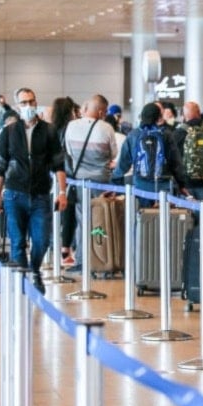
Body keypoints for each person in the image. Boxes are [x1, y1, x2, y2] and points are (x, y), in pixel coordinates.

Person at [0, 87, 68, 296]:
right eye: (24, 102)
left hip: (41, 195)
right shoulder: (8, 132)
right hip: (14, 194)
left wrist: (62, 192)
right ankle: (23, 279)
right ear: (17, 106)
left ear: (36, 102)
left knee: (42, 239)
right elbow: (1, 166)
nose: (28, 106)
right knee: (17, 242)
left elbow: (58, 165)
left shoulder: (49, 130)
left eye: (31, 101)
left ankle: (34, 269)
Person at [64, 94, 118, 273]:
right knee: (100, 221)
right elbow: (112, 154)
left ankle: (81, 261)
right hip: (102, 182)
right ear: (102, 111)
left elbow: (69, 152)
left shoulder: (71, 126)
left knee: (82, 221)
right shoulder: (106, 128)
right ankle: (101, 260)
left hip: (79, 181)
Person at [112, 102, 190, 206]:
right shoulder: (166, 135)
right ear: (158, 117)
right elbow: (176, 163)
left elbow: (123, 164)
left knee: (144, 217)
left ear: (142, 115)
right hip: (164, 186)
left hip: (141, 187)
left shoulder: (133, 135)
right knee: (165, 218)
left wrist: (115, 183)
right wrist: (181, 184)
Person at [50, 96, 80, 265]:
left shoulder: (53, 129)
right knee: (69, 213)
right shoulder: (70, 129)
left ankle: (62, 249)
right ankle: (66, 250)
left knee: (61, 214)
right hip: (67, 175)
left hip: (55, 175)